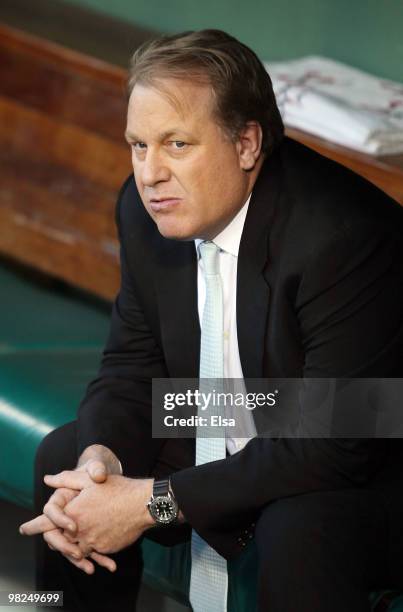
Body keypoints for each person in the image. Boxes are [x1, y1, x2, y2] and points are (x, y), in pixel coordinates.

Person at [19, 29, 403, 612]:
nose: (150, 174)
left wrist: (153, 501)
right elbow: (131, 365)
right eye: (138, 145)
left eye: (176, 144)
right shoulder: (147, 208)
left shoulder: (343, 236)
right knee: (69, 463)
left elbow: (336, 442)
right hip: (244, 403)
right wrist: (101, 462)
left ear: (247, 144)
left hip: (369, 443)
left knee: (300, 528)